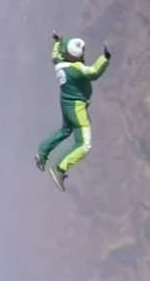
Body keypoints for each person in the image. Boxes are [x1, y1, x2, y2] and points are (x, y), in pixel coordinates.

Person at [35, 30, 110, 191]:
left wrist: (58, 41)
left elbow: (55, 54)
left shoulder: (59, 63)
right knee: (84, 144)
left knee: (65, 130)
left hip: (65, 104)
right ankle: (60, 168)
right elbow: (94, 72)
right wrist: (105, 58)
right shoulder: (77, 69)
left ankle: (42, 153)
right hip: (77, 108)